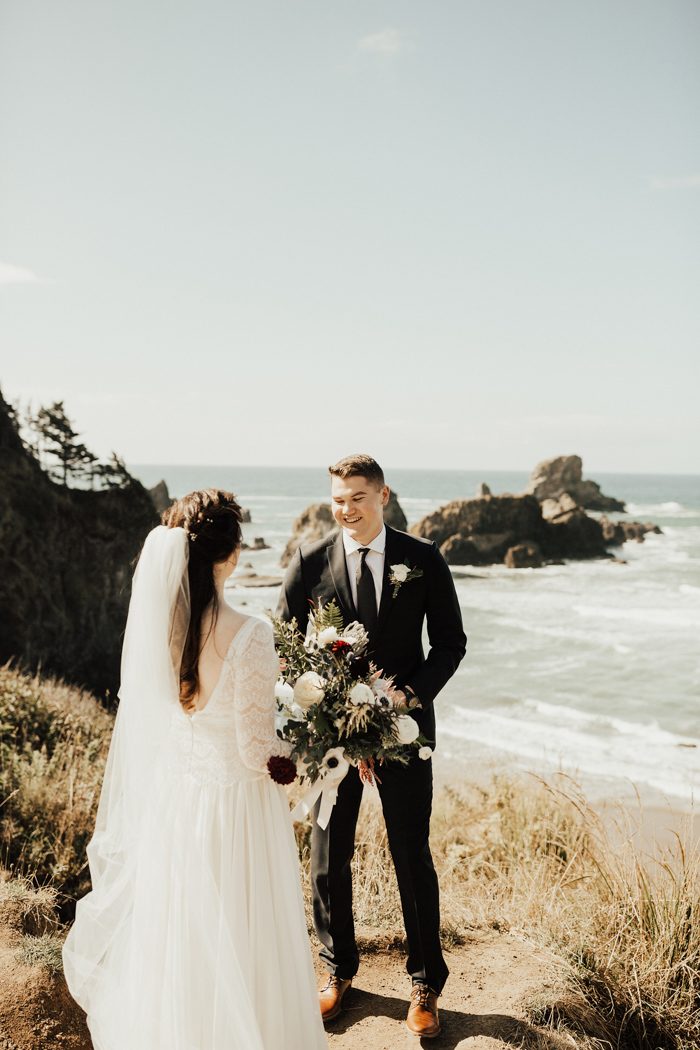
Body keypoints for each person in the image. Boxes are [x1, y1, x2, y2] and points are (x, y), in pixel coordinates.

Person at [62, 489, 328, 1050]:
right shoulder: (249, 633)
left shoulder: (163, 632)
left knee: (187, 948)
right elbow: (259, 752)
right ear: (230, 556)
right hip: (238, 815)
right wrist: (319, 763)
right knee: (247, 940)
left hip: (183, 806)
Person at [277, 455, 467, 1039]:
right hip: (332, 741)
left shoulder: (422, 559)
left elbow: (451, 644)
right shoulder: (310, 562)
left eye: (358, 497)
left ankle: (424, 984)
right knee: (328, 857)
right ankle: (337, 971)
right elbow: (284, 647)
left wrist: (409, 697)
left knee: (411, 854)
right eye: (338, 498)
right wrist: (314, 708)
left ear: (384, 496)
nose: (346, 509)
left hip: (403, 735)